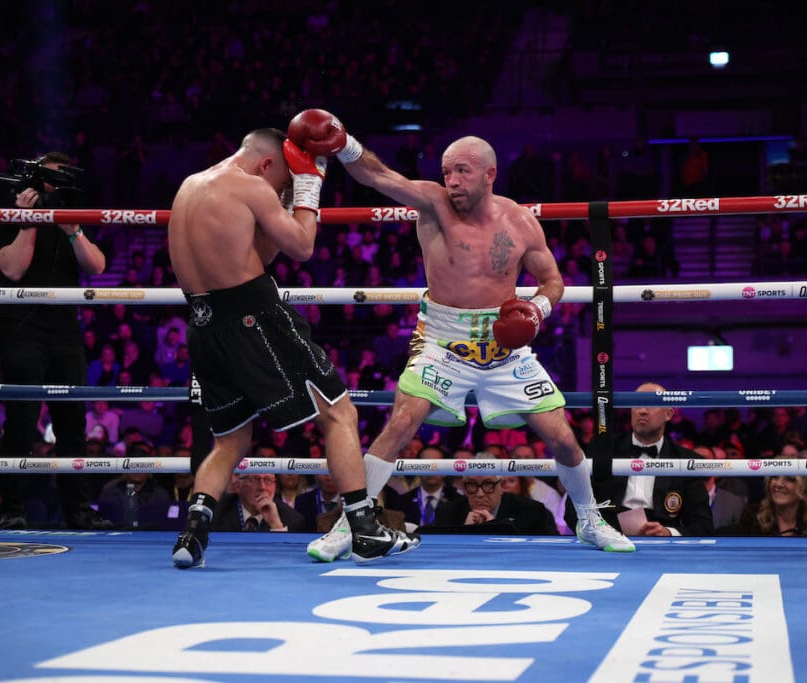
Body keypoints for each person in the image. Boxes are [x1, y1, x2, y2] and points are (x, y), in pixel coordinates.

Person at [292, 109, 634, 559]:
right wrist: (344, 144)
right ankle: (350, 523)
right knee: (401, 423)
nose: (451, 180)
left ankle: (589, 519)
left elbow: (553, 281)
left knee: (562, 436)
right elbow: (376, 175)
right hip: (442, 339)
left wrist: (536, 310)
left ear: (490, 174)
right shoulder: (432, 204)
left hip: (503, 346)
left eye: (462, 171)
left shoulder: (520, 222)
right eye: (447, 171)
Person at [167, 127, 417, 567]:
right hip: (254, 317)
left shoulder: (191, 185)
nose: (281, 188)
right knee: (340, 412)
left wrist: (283, 200)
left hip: (203, 324)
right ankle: (363, 529)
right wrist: (307, 188)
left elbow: (255, 254)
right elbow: (302, 247)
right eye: (282, 180)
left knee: (228, 442)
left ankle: (192, 534)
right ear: (267, 164)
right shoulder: (250, 185)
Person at [0, 151, 113, 531]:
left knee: (73, 421)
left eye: (62, 181)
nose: (56, 187)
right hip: (20, 328)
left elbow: (97, 266)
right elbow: (12, 269)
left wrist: (71, 229)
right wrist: (29, 221)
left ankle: (77, 509)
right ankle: (12, 507)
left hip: (64, 329)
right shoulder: (7, 213)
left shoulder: (71, 213)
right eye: (49, 180)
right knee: (22, 420)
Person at [566, 382, 714, 537]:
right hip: (607, 538)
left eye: (651, 404)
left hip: (663, 546)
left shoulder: (686, 460)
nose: (642, 411)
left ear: (669, 414)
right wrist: (601, 533)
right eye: (636, 404)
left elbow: (703, 525)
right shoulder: (602, 449)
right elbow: (573, 508)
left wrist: (669, 533)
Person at [425, 456, 558, 536]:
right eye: (471, 485)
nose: (480, 494)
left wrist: (497, 529)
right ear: (463, 487)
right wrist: (465, 532)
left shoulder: (531, 511)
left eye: (488, 484)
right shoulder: (447, 513)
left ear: (501, 487)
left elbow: (544, 554)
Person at [720, 475, 807, 537]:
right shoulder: (753, 514)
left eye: (789, 479)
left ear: (803, 488)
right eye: (774, 477)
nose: (778, 484)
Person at [211, 473, 304, 533]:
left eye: (268, 480)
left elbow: (286, 557)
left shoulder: (292, 519)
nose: (262, 487)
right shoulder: (216, 512)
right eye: (255, 479)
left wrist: (276, 526)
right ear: (239, 484)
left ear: (275, 486)